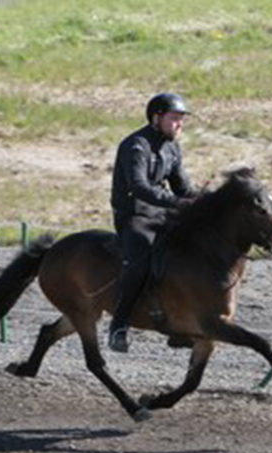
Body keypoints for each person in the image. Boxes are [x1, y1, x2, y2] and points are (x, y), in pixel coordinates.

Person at [108, 92, 198, 352]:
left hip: (162, 215)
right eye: (175, 119)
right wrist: (176, 203)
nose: (180, 125)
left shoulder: (172, 147)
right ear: (156, 118)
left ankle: (179, 324)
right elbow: (139, 187)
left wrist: (210, 199)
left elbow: (183, 188)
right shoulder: (135, 145)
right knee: (140, 258)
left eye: (182, 120)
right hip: (134, 216)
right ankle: (119, 324)